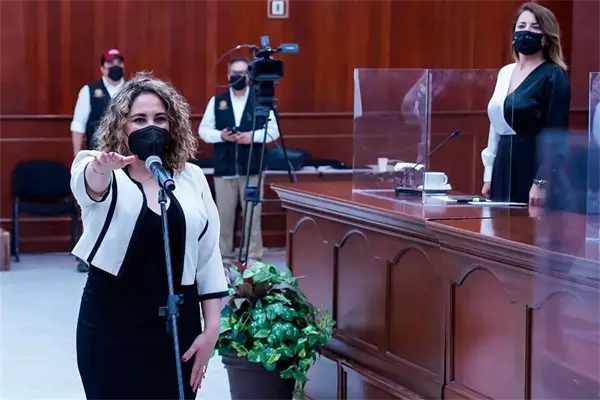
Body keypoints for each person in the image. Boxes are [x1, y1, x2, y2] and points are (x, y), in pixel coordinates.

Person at [70, 72, 228, 399]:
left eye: (160, 119)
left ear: (173, 125)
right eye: (139, 119)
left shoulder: (191, 178)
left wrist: (212, 327)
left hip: (177, 324)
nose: (150, 127)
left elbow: (208, 257)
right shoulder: (102, 167)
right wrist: (102, 167)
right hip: (111, 325)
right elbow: (89, 185)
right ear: (121, 126)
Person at [481, 2, 570, 206]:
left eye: (535, 27)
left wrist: (541, 182)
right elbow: (495, 126)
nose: (526, 32)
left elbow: (557, 132)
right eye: (521, 26)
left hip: (532, 163)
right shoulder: (505, 72)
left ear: (546, 38)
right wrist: (489, 173)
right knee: (497, 222)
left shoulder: (554, 74)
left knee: (524, 224)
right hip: (503, 162)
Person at [199, 56, 280, 265]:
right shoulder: (217, 101)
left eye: (242, 73)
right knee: (223, 217)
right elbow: (203, 130)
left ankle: (253, 258)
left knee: (252, 216)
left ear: (249, 76)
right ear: (228, 76)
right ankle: (224, 259)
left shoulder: (260, 100)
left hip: (252, 168)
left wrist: (251, 137)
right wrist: (221, 136)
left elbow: (273, 131)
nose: (238, 77)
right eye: (234, 73)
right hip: (225, 168)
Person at [71, 49, 126, 272]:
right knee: (94, 204)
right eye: (111, 63)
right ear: (102, 68)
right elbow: (78, 125)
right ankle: (88, 254)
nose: (115, 67)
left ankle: (119, 253)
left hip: (125, 157)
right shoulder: (89, 91)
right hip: (98, 158)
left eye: (119, 62)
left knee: (122, 204)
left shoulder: (131, 90)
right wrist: (77, 157)